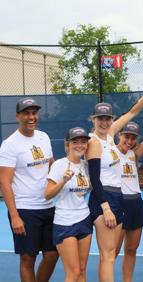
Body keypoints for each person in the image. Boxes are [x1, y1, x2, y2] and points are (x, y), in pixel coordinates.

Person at [86, 79, 143, 281]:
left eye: (108, 118)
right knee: (108, 256)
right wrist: (106, 208)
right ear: (93, 119)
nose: (104, 122)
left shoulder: (109, 135)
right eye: (100, 118)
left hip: (116, 196)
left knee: (109, 255)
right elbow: (94, 179)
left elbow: (132, 113)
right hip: (105, 198)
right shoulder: (93, 142)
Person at [0, 97, 59, 282]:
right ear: (18, 116)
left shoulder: (43, 137)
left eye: (34, 113)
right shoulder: (10, 145)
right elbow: (4, 182)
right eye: (26, 113)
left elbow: (51, 165)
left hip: (48, 207)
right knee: (28, 258)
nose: (31, 117)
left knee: (52, 255)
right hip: (25, 210)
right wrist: (15, 215)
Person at [44, 127, 92, 282]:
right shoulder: (59, 165)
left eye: (83, 142)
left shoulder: (86, 166)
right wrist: (63, 181)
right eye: (75, 142)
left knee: (82, 269)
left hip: (84, 219)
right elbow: (48, 195)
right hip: (65, 222)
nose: (79, 145)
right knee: (73, 272)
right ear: (67, 145)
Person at [115, 122, 143, 282]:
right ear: (118, 134)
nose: (130, 140)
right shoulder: (110, 153)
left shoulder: (133, 154)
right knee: (112, 251)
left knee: (131, 249)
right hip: (119, 203)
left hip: (136, 202)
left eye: (133, 138)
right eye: (126, 136)